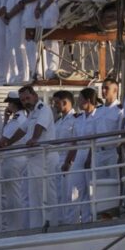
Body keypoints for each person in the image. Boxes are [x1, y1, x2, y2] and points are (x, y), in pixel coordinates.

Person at [19, 84, 56, 228]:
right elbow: (22, 130)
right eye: (22, 100)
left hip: (44, 157)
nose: (26, 102)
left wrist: (34, 139)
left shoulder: (43, 109)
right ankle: (36, 226)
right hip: (33, 158)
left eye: (27, 98)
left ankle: (51, 225)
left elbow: (39, 127)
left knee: (46, 194)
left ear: (34, 96)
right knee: (34, 195)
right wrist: (6, 141)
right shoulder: (32, 113)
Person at [62, 87, 99, 223]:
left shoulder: (98, 116)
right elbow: (74, 141)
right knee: (74, 188)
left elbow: (95, 139)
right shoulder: (79, 119)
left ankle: (89, 220)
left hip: (92, 152)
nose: (78, 102)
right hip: (79, 154)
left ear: (88, 100)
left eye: (80, 99)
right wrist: (67, 161)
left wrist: (90, 157)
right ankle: (71, 221)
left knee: (90, 190)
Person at [0, 96, 29, 231]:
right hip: (17, 159)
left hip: (13, 159)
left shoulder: (17, 119)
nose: (8, 106)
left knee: (13, 196)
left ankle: (15, 227)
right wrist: (6, 119)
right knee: (16, 194)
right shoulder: (18, 118)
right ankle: (16, 226)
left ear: (13, 104)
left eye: (9, 103)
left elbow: (3, 140)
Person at [49, 90, 79, 224]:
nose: (54, 105)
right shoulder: (58, 121)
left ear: (65, 102)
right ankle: (61, 222)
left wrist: (69, 161)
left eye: (56, 103)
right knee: (59, 195)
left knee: (70, 195)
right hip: (57, 160)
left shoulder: (75, 120)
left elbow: (76, 141)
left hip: (69, 160)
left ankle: (71, 223)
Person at [89, 77, 124, 183]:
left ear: (115, 90)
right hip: (98, 153)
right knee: (98, 185)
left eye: (106, 88)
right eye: (102, 88)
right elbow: (93, 134)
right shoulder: (97, 111)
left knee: (114, 183)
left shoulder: (120, 110)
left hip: (112, 153)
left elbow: (121, 134)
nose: (103, 91)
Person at [35, 0, 63, 77]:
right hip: (44, 11)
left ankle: (53, 68)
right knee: (46, 40)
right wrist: (38, 8)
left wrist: (41, 8)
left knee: (52, 39)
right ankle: (48, 70)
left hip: (51, 9)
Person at [18, 0, 45, 79]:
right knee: (29, 46)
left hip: (34, 15)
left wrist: (25, 1)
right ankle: (33, 71)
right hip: (29, 15)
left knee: (34, 45)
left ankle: (37, 72)